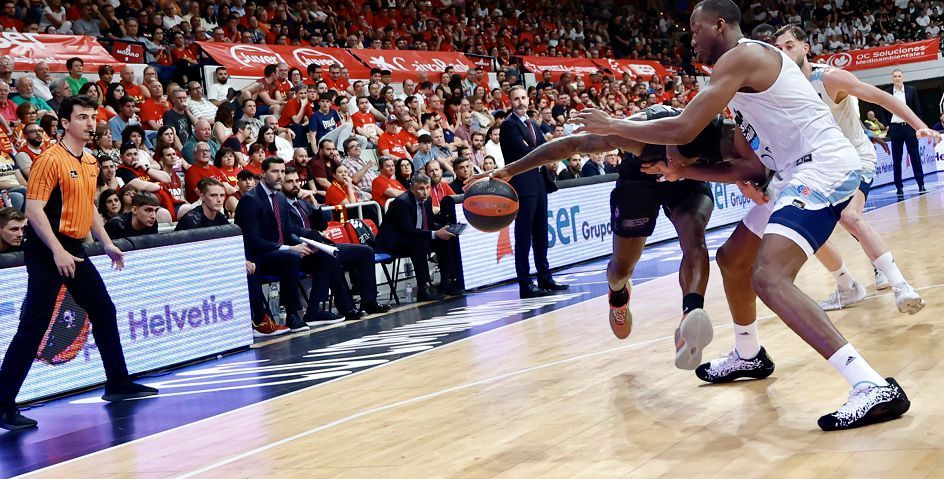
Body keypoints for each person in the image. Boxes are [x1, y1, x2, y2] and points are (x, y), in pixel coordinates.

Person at [577, 0, 910, 431]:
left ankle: (870, 385)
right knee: (733, 260)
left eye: (695, 30)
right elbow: (750, 167)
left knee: (769, 276)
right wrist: (687, 169)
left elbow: (682, 128)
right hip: (792, 173)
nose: (690, 40)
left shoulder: (741, 57)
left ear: (718, 25)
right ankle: (749, 354)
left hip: (822, 166)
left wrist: (615, 126)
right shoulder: (744, 72)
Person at [481, 105, 742, 368]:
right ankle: (618, 294)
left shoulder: (729, 140)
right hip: (638, 181)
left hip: (688, 181)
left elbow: (754, 168)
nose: (676, 162)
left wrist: (683, 171)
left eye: (684, 160)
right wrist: (512, 169)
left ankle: (690, 315)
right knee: (621, 269)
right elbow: (573, 144)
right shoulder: (638, 132)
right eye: (674, 156)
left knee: (694, 234)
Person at [0, 96, 157, 432]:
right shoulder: (49, 159)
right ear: (65, 123)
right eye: (82, 117)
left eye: (92, 117)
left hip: (72, 245)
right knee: (34, 325)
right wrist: (56, 251)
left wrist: (107, 243)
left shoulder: (89, 160)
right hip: (46, 248)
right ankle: (3, 404)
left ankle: (117, 383)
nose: (90, 123)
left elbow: (89, 209)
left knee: (103, 309)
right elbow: (33, 211)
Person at [775, 25, 937, 312]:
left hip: (855, 158)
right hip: (822, 166)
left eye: (789, 45)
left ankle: (902, 286)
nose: (784, 52)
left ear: (805, 48)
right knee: (803, 225)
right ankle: (847, 286)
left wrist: (920, 126)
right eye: (779, 49)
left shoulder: (829, 78)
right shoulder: (785, 88)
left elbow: (881, 98)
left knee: (850, 217)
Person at [281, 168, 388, 316]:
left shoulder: (302, 203)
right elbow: (291, 231)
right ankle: (347, 307)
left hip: (320, 244)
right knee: (331, 257)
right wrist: (314, 234)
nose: (295, 185)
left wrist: (315, 205)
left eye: (297, 181)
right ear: (281, 184)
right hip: (301, 251)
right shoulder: (280, 206)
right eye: (290, 181)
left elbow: (323, 225)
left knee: (365, 252)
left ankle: (369, 301)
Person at [234, 157, 310, 334]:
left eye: (282, 171)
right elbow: (253, 241)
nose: (280, 176)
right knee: (290, 257)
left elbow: (287, 231)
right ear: (263, 174)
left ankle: (315, 309)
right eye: (275, 171)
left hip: (277, 254)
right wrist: (289, 249)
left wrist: (304, 243)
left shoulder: (280, 198)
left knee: (319, 256)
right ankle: (293, 314)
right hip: (256, 256)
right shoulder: (250, 200)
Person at [500, 86, 563, 298]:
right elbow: (525, 152)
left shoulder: (532, 124)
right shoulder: (509, 126)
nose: (520, 102)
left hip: (538, 182)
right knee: (524, 235)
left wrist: (539, 151)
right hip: (523, 184)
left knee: (541, 233)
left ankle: (545, 276)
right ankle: (525, 283)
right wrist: (541, 151)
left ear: (528, 99)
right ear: (510, 102)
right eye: (516, 99)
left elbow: (536, 150)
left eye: (523, 98)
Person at [375, 172, 461, 301]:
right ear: (412, 188)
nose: (425, 192)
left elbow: (430, 224)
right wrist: (435, 233)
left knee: (444, 239)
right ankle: (424, 288)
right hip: (394, 241)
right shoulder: (402, 202)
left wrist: (445, 228)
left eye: (427, 188)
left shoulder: (427, 200)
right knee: (419, 243)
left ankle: (446, 281)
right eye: (421, 189)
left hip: (415, 236)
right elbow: (408, 230)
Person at [883, 69, 927, 197]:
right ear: (892, 78)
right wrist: (887, 125)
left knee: (915, 156)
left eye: (899, 76)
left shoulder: (911, 90)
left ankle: (921, 183)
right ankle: (899, 186)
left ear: (903, 77)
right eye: (895, 76)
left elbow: (917, 109)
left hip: (909, 127)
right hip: (895, 128)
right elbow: (883, 109)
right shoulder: (887, 92)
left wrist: (918, 126)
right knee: (897, 158)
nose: (897, 78)